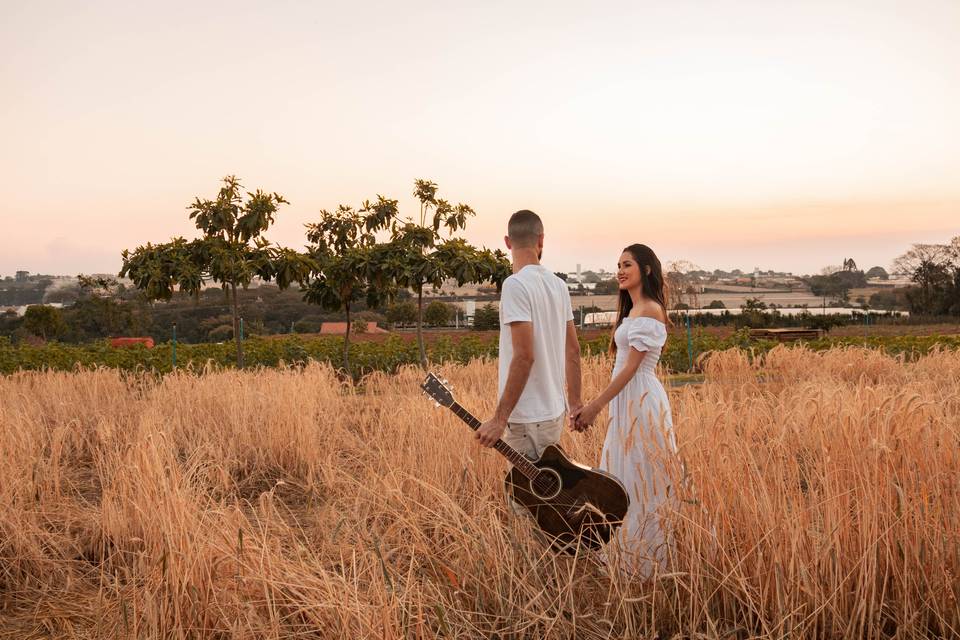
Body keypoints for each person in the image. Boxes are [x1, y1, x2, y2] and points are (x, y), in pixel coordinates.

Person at [571, 243, 677, 576]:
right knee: (622, 471)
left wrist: (595, 406)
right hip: (625, 399)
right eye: (617, 264)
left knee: (641, 471)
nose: (619, 270)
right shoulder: (632, 311)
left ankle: (648, 558)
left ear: (645, 269)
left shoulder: (648, 310)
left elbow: (631, 367)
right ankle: (626, 552)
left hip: (641, 398)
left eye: (627, 264)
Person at [476, 210, 583, 473]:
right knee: (548, 503)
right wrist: (575, 403)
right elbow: (573, 351)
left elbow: (524, 356)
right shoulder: (558, 286)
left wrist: (499, 420)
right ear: (541, 240)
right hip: (553, 414)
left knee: (526, 505)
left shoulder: (515, 285)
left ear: (507, 242)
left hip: (526, 419)